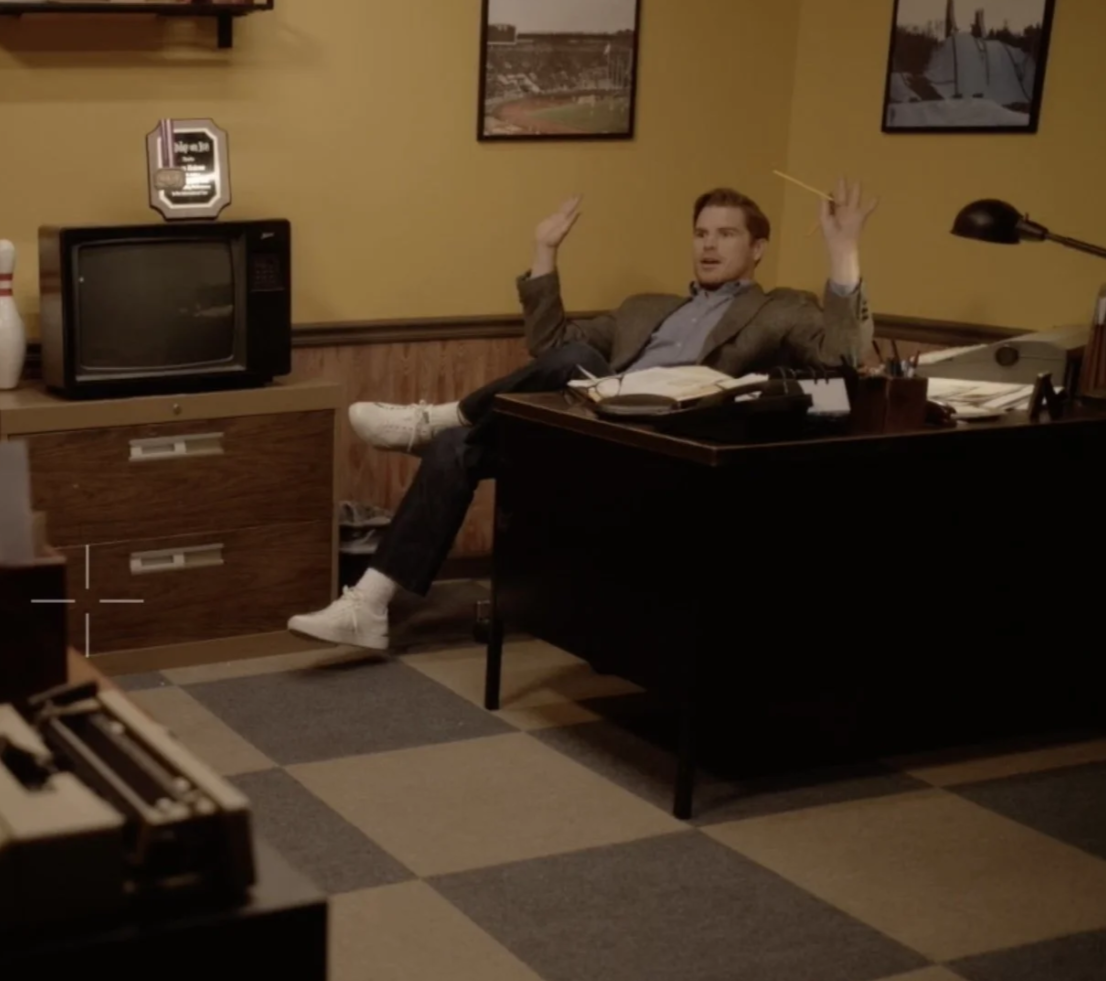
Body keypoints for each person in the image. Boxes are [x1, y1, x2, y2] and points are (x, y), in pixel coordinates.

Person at [291, 183, 879, 650]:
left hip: (658, 441)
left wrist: (843, 250)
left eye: (726, 234)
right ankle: (369, 607)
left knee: (499, 409)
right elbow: (551, 348)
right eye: (701, 233)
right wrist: (544, 251)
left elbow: (843, 356)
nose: (709, 245)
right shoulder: (645, 309)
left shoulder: (779, 310)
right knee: (465, 443)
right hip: (583, 426)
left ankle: (440, 419)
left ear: (757, 248)